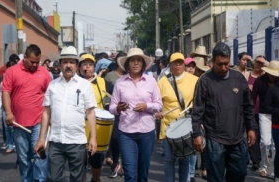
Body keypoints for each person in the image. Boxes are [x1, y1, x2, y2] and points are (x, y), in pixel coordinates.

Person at [192, 43, 257, 182]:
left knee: (239, 173)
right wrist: (196, 133)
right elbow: (197, 109)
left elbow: (248, 106)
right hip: (215, 139)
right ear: (213, 61)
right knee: (215, 178)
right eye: (219, 64)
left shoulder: (238, 78)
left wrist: (251, 128)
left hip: (238, 138)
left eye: (226, 63)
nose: (223, 68)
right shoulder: (205, 80)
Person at [35, 46, 98, 182]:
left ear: (76, 65)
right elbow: (46, 112)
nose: (68, 65)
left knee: (77, 178)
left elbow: (91, 112)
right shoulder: (53, 85)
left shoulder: (85, 85)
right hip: (56, 140)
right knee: (53, 178)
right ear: (60, 64)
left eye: (72, 62)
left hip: (77, 141)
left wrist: (93, 138)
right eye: (65, 62)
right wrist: (41, 138)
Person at [110, 47, 162, 181]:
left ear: (143, 64)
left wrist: (147, 106)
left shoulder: (151, 82)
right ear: (127, 64)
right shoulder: (120, 83)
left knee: (143, 173)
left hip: (147, 132)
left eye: (139, 60)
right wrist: (119, 108)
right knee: (130, 173)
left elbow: (159, 105)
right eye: (132, 60)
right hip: (126, 132)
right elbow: (112, 107)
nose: (136, 63)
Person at [2, 44, 51, 182]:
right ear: (25, 58)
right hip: (18, 123)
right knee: (23, 158)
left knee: (39, 155)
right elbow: (5, 92)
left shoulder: (44, 73)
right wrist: (8, 113)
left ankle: (40, 180)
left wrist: (50, 116)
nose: (35, 65)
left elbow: (50, 95)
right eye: (32, 62)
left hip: (39, 121)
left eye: (38, 62)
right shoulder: (12, 71)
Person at [156, 52, 198, 182]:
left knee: (184, 159)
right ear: (170, 65)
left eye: (180, 62)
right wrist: (158, 112)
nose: (178, 65)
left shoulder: (194, 80)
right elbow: (157, 102)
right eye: (175, 63)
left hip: (186, 126)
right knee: (169, 159)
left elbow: (199, 102)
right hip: (168, 126)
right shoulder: (162, 82)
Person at [78, 53, 112, 182]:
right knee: (80, 162)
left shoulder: (102, 82)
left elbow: (115, 96)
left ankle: (96, 179)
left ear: (94, 67)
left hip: (96, 126)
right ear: (79, 67)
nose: (87, 67)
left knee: (96, 161)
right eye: (84, 64)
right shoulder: (75, 82)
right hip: (79, 126)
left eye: (90, 65)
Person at [252, 60, 278, 177]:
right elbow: (253, 98)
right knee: (265, 142)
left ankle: (276, 169)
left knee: (276, 144)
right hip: (264, 114)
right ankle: (264, 165)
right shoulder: (259, 81)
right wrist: (250, 115)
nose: (273, 76)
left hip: (277, 114)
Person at [105, 51, 127, 178]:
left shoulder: (131, 75)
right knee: (114, 138)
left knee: (127, 139)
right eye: (121, 60)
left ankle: (125, 165)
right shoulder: (110, 76)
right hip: (114, 111)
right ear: (116, 61)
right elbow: (105, 94)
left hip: (129, 113)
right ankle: (115, 162)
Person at [262, 60, 279, 182]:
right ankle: (277, 174)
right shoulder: (273, 90)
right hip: (277, 126)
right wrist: (277, 111)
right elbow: (265, 106)